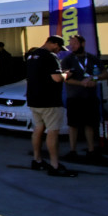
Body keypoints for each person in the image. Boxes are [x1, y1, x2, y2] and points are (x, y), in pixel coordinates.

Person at [26, 36, 76, 177]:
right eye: (59, 48)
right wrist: (67, 74)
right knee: (52, 132)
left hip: (34, 100)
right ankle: (55, 165)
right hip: (49, 100)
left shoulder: (31, 56)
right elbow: (57, 78)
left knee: (38, 129)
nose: (59, 51)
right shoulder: (50, 56)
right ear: (53, 44)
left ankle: (37, 160)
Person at [60, 35, 108, 164]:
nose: (72, 46)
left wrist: (94, 78)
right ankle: (72, 150)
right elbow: (65, 78)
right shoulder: (67, 60)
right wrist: (81, 83)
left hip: (90, 97)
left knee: (90, 123)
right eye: (71, 44)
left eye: (75, 43)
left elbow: (105, 74)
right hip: (74, 97)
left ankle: (91, 150)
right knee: (73, 125)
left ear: (83, 43)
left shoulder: (92, 58)